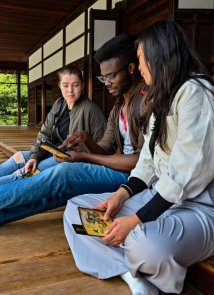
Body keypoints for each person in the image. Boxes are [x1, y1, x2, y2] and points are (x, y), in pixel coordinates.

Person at [0, 34, 146, 236]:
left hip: (131, 179)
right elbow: (103, 148)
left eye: (110, 77)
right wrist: (84, 139)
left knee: (57, 173)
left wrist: (85, 155)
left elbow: (142, 163)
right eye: (102, 78)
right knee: (40, 181)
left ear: (132, 68)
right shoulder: (114, 107)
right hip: (77, 160)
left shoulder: (144, 104)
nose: (106, 84)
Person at [63, 20, 214, 295]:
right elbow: (147, 159)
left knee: (144, 243)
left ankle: (133, 263)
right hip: (157, 197)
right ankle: (132, 276)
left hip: (198, 207)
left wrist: (136, 220)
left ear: (160, 55)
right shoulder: (162, 95)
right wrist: (120, 195)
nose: (141, 68)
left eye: (142, 60)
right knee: (77, 210)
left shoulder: (196, 93)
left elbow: (185, 176)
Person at [0, 66, 106, 194]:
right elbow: (44, 134)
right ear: (59, 86)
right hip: (51, 152)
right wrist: (34, 156)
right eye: (66, 85)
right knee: (20, 157)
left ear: (82, 85)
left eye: (75, 85)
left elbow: (103, 151)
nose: (70, 90)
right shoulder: (60, 104)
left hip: (69, 160)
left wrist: (81, 152)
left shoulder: (91, 110)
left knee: (27, 172)